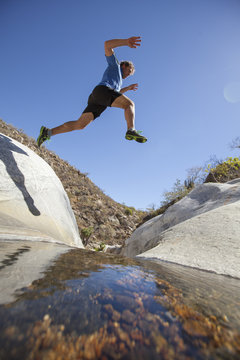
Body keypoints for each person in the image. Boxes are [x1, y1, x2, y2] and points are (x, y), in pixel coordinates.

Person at [37, 36, 147, 147]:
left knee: (80, 124)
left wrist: (128, 88)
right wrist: (126, 42)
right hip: (103, 91)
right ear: (124, 65)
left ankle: (48, 132)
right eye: (129, 71)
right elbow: (107, 45)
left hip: (98, 98)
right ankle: (131, 130)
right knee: (129, 104)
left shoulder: (118, 82)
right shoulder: (115, 66)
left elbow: (117, 94)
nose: (128, 75)